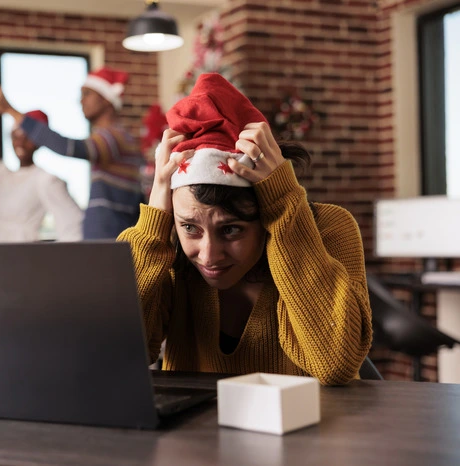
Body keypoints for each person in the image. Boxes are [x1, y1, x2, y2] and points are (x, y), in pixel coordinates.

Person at [117, 73, 373, 386]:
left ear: (264, 216)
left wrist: (283, 205)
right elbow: (114, 356)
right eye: (191, 227)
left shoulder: (330, 228)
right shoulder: (166, 245)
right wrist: (154, 220)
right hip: (194, 433)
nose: (208, 255)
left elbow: (336, 365)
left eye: (231, 230)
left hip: (305, 430)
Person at [0, 67, 145, 240]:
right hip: (110, 238)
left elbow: (68, 147)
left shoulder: (115, 137)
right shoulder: (114, 137)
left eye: (87, 94)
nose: (81, 101)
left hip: (113, 239)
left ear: (106, 99)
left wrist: (11, 111)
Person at [0, 97, 83, 242]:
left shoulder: (45, 179)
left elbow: (72, 225)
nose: (20, 143)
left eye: (27, 138)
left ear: (39, 142)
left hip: (21, 254)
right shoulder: (1, 175)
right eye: (16, 136)